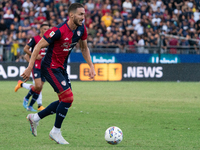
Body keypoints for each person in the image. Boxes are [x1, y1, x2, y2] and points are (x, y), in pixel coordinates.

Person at [21, 3, 96, 144]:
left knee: (66, 101)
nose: (83, 17)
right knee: (67, 98)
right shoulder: (58, 31)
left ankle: (35, 118)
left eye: (84, 14)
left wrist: (91, 66)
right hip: (49, 67)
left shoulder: (81, 29)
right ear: (71, 15)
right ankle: (55, 132)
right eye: (80, 14)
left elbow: (84, 48)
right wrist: (29, 67)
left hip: (61, 68)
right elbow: (37, 46)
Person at [15, 23, 49, 111]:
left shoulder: (49, 40)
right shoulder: (35, 39)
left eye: (48, 29)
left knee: (39, 87)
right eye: (45, 29)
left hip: (44, 66)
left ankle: (30, 106)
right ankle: (27, 98)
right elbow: (25, 49)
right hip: (36, 66)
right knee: (37, 86)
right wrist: (34, 55)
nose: (47, 31)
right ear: (41, 29)